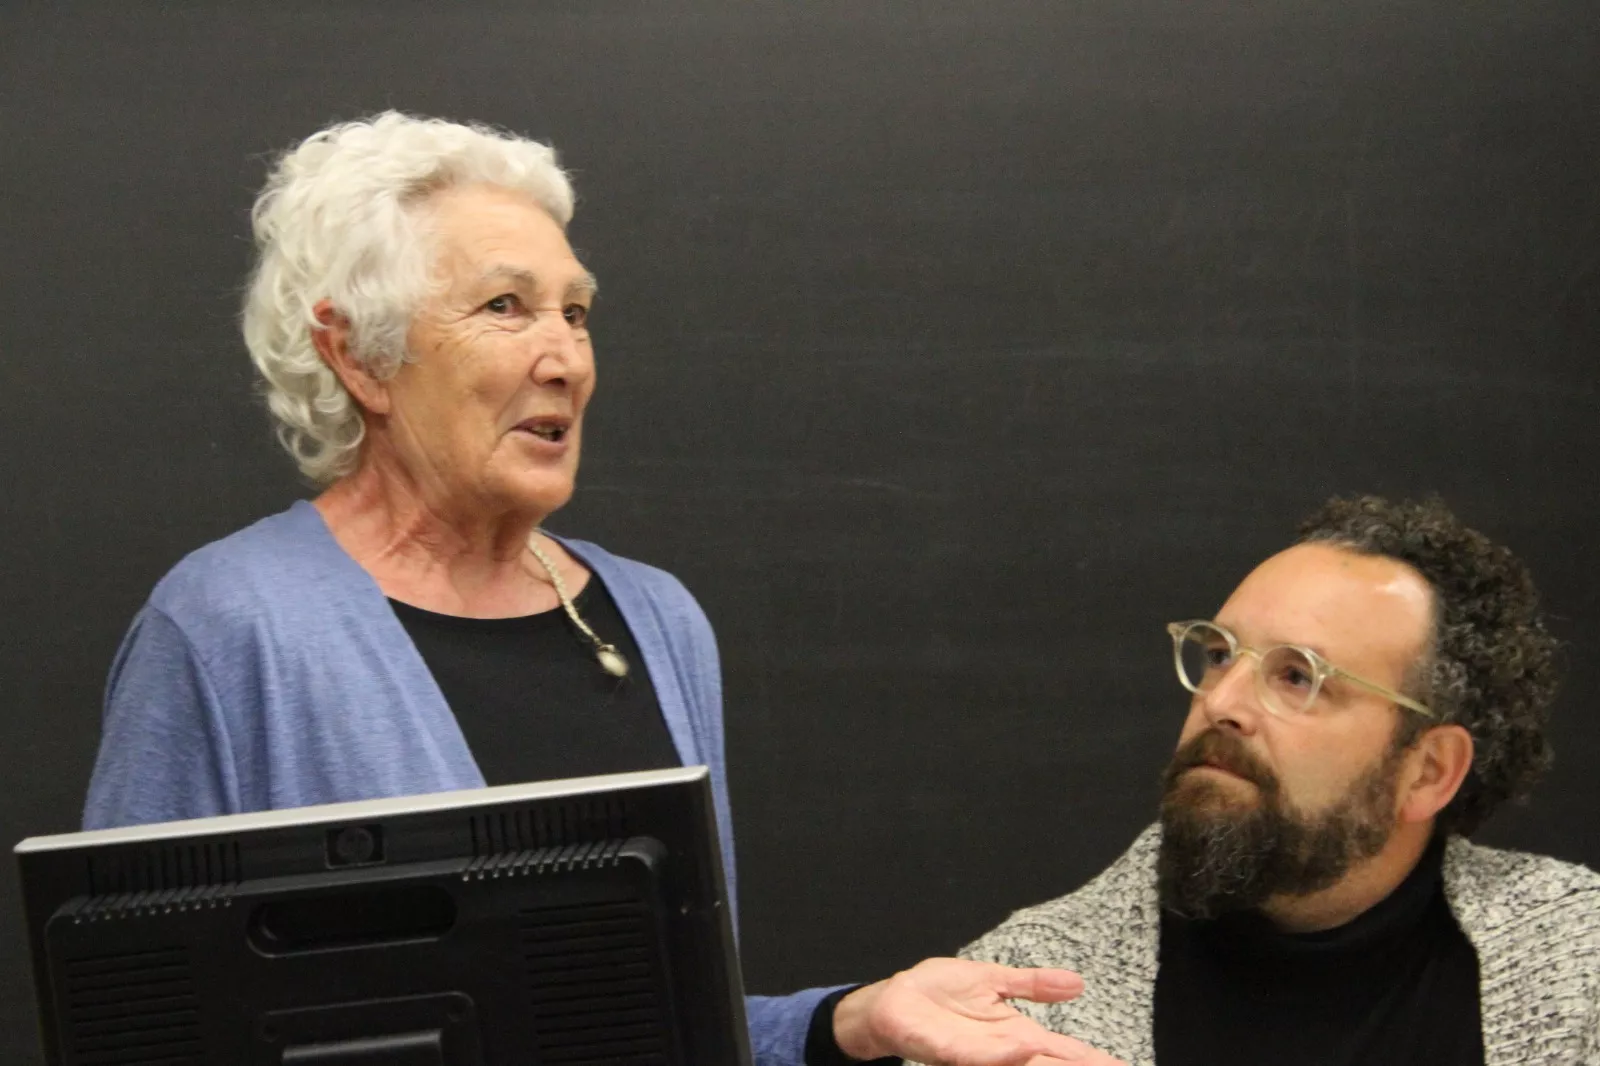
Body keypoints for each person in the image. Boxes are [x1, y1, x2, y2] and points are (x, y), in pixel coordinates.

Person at [83, 112, 1121, 1066]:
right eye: (506, 306)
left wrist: (849, 1020)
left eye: (575, 313)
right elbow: (133, 1030)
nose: (566, 360)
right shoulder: (228, 626)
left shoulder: (657, 619)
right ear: (357, 354)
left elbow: (670, 1028)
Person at [936, 495, 1600, 1065]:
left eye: (1297, 676)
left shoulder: (1581, 969)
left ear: (1427, 772)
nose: (1221, 702)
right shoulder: (1019, 1003)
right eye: (1219, 654)